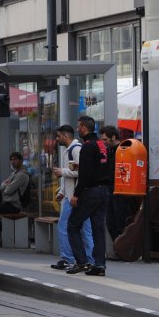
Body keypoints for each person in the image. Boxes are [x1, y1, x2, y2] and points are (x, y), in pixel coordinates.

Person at [66, 115, 113, 276]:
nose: (77, 129)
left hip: (91, 191)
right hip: (104, 191)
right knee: (98, 228)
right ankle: (99, 265)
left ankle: (81, 261)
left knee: (73, 224)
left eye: (78, 127)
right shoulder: (102, 145)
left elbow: (85, 175)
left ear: (84, 128)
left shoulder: (87, 147)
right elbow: (103, 167)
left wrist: (76, 195)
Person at [49, 125, 92, 270]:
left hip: (75, 195)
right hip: (71, 194)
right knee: (85, 228)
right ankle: (89, 259)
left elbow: (82, 172)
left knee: (64, 225)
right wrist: (62, 190)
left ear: (66, 136)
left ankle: (68, 258)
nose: (57, 139)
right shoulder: (69, 150)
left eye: (58, 136)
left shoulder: (76, 149)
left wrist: (62, 171)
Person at [0, 152, 31, 235]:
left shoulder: (22, 175)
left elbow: (8, 190)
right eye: (11, 160)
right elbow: (1, 187)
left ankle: (0, 229)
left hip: (15, 205)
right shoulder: (13, 173)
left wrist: (7, 184)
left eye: (15, 159)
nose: (13, 162)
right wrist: (7, 184)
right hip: (7, 203)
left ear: (21, 161)